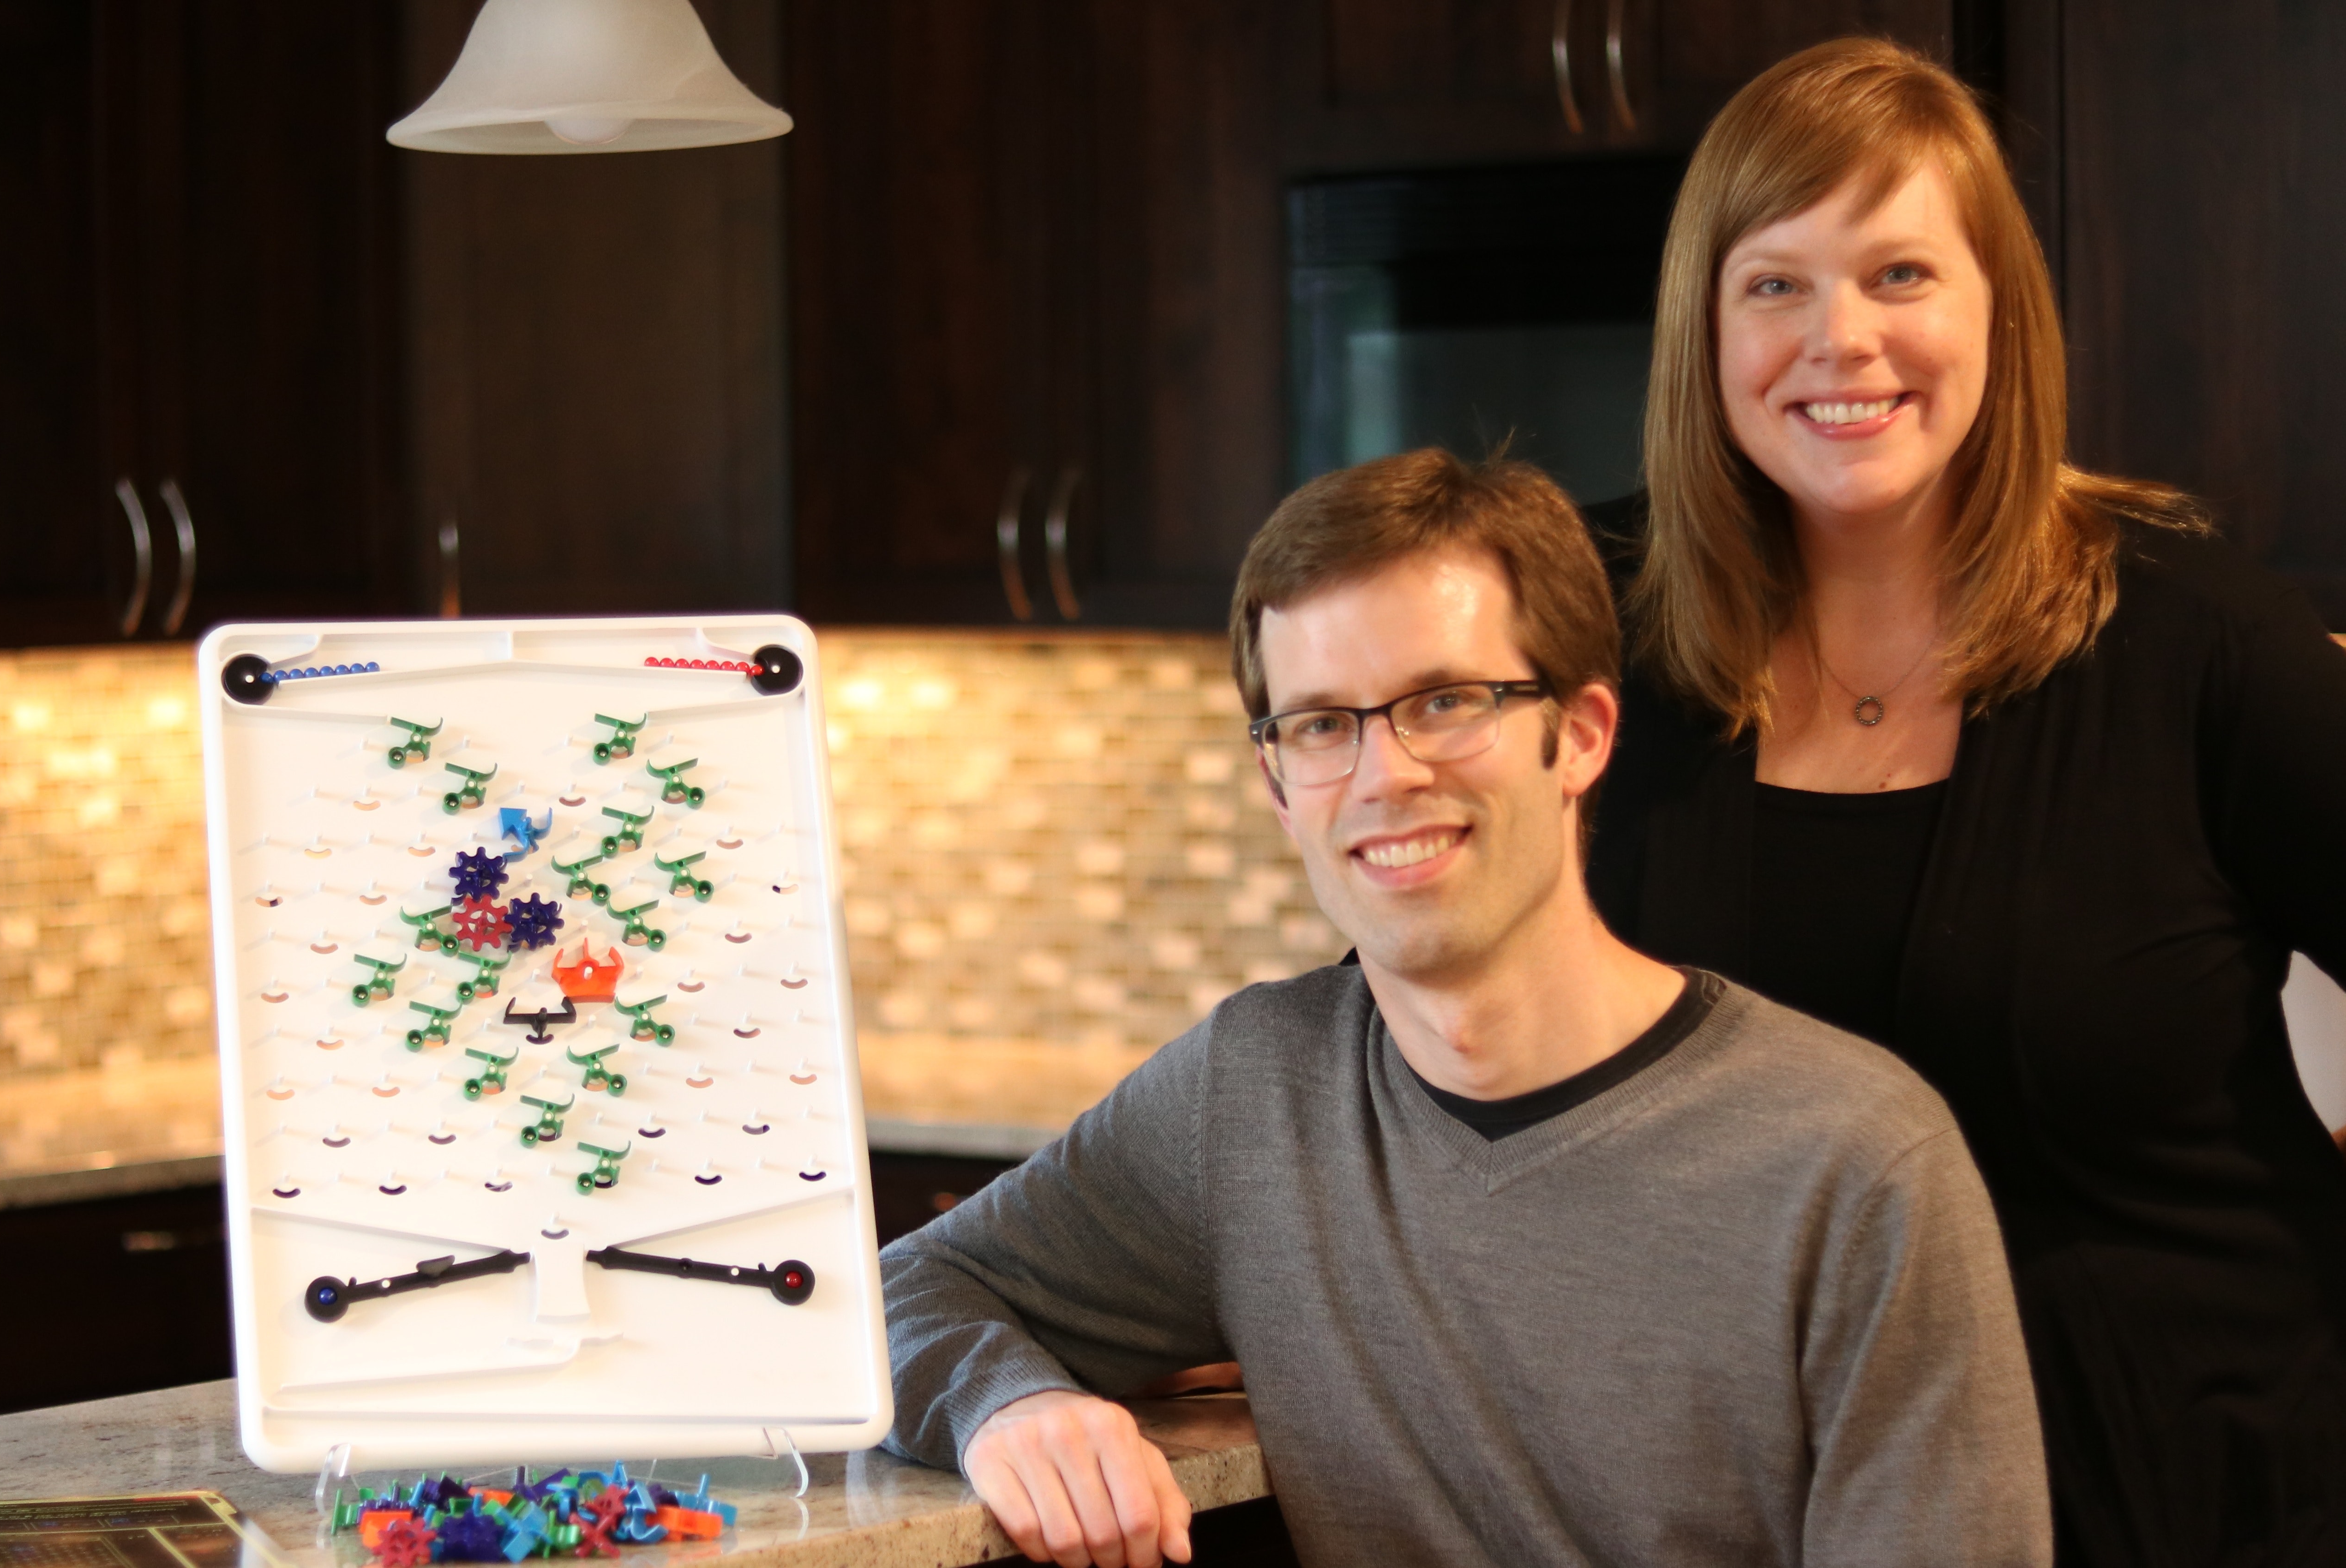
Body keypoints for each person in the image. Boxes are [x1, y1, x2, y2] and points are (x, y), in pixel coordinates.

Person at [881, 449, 2049, 1568]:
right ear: (1279, 787)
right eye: (1323, 724)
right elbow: (889, 1296)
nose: (1386, 773)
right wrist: (1009, 1406)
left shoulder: (1857, 1165)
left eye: (1445, 701)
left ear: (1580, 735)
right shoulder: (1252, 1096)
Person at [1583, 38, 2346, 1568]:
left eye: (1900, 274)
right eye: (1775, 283)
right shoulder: (1593, 639)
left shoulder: (2201, 646)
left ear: (2000, 307)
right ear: (1703, 330)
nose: (1840, 339)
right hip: (1771, 1514)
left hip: (2196, 1502)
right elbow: (1416, 1014)